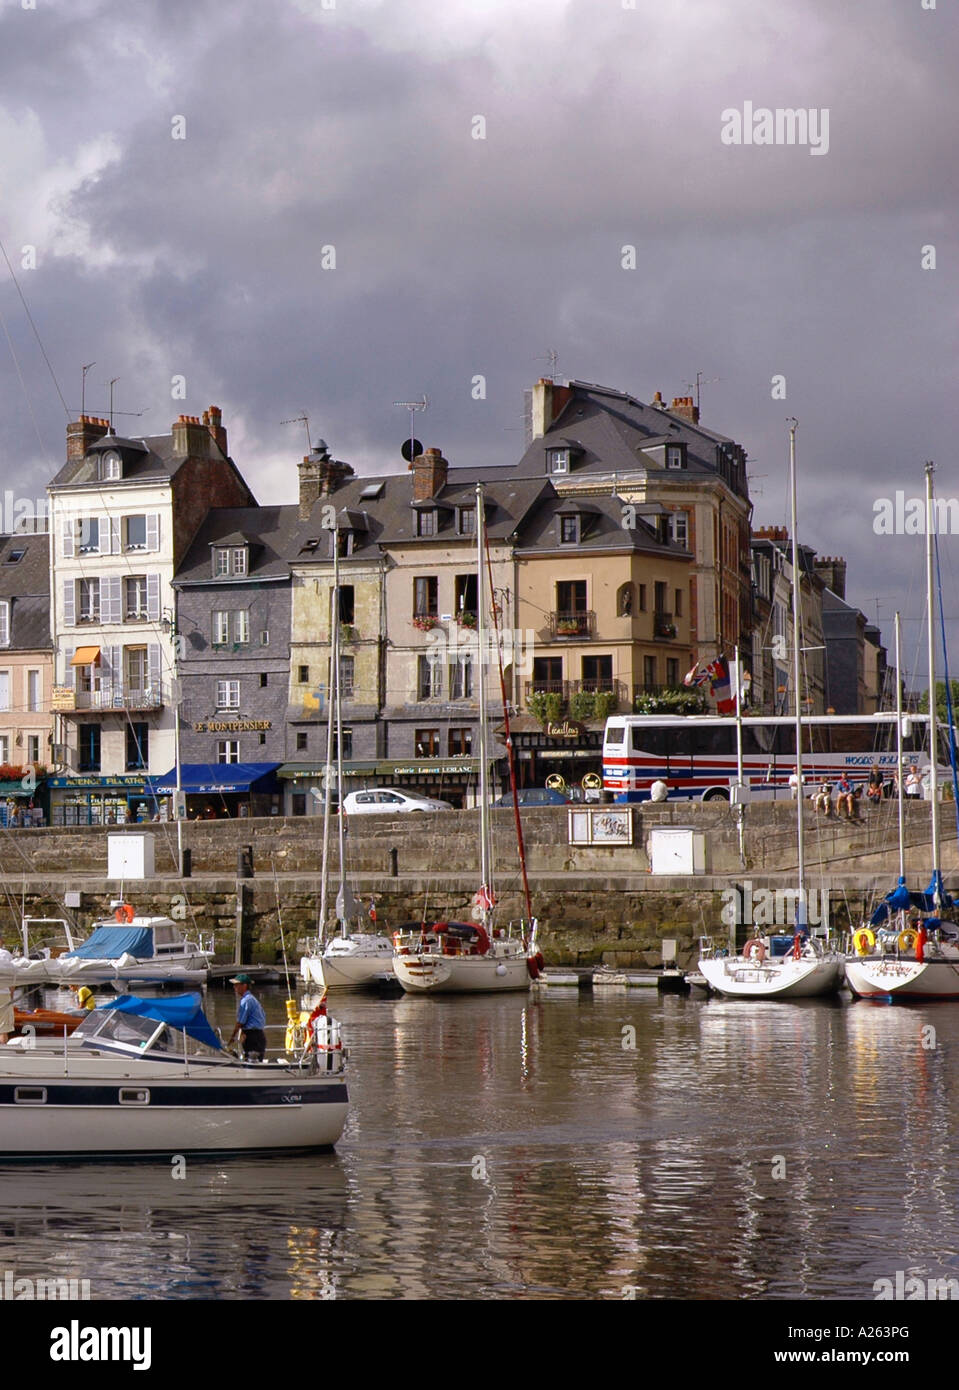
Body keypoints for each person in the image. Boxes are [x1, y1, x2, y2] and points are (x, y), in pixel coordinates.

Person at [228, 973, 267, 1061]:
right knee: (254, 1060)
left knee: (251, 1061)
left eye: (236, 985)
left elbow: (240, 1022)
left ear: (244, 986)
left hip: (253, 1037)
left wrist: (233, 1037)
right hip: (257, 1035)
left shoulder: (246, 1001)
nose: (234, 987)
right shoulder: (253, 999)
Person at [0, 938, 13, 1044]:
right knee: (3, 1029)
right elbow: (12, 976)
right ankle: (3, 1050)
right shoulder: (5, 954)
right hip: (3, 993)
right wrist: (12, 997)